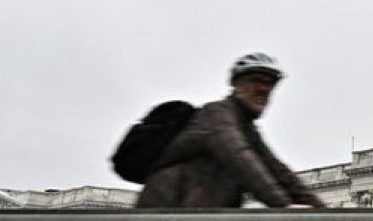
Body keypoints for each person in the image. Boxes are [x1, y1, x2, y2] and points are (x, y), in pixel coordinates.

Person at [136, 53, 323, 209]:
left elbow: (279, 171)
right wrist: (283, 206)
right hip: (168, 212)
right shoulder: (216, 115)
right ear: (236, 85)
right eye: (255, 80)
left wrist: (325, 214)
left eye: (269, 84)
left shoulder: (247, 129)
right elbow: (241, 160)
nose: (263, 89)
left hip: (195, 216)